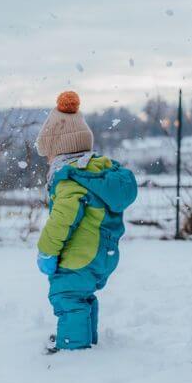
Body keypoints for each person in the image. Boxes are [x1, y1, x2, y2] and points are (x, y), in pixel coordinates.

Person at [34, 90, 138, 353]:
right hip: (103, 253)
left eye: (49, 156)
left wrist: (46, 251)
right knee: (82, 295)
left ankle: (74, 349)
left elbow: (61, 220)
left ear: (58, 152)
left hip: (81, 255)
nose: (48, 161)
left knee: (67, 296)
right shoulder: (97, 171)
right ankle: (86, 339)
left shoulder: (69, 179)